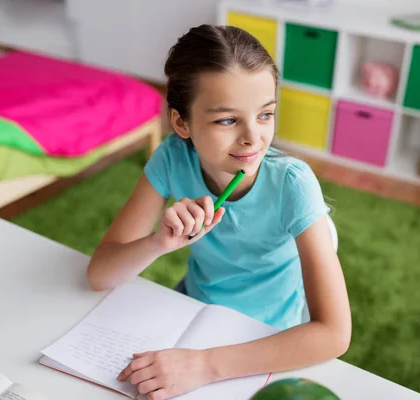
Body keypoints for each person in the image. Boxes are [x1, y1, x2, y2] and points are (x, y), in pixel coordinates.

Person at [86, 24, 351, 400]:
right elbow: (100, 274)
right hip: (193, 310)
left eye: (265, 115)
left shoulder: (293, 184)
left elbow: (334, 334)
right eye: (227, 120)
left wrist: (203, 365)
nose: (252, 138)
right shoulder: (172, 157)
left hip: (267, 336)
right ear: (181, 123)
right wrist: (158, 243)